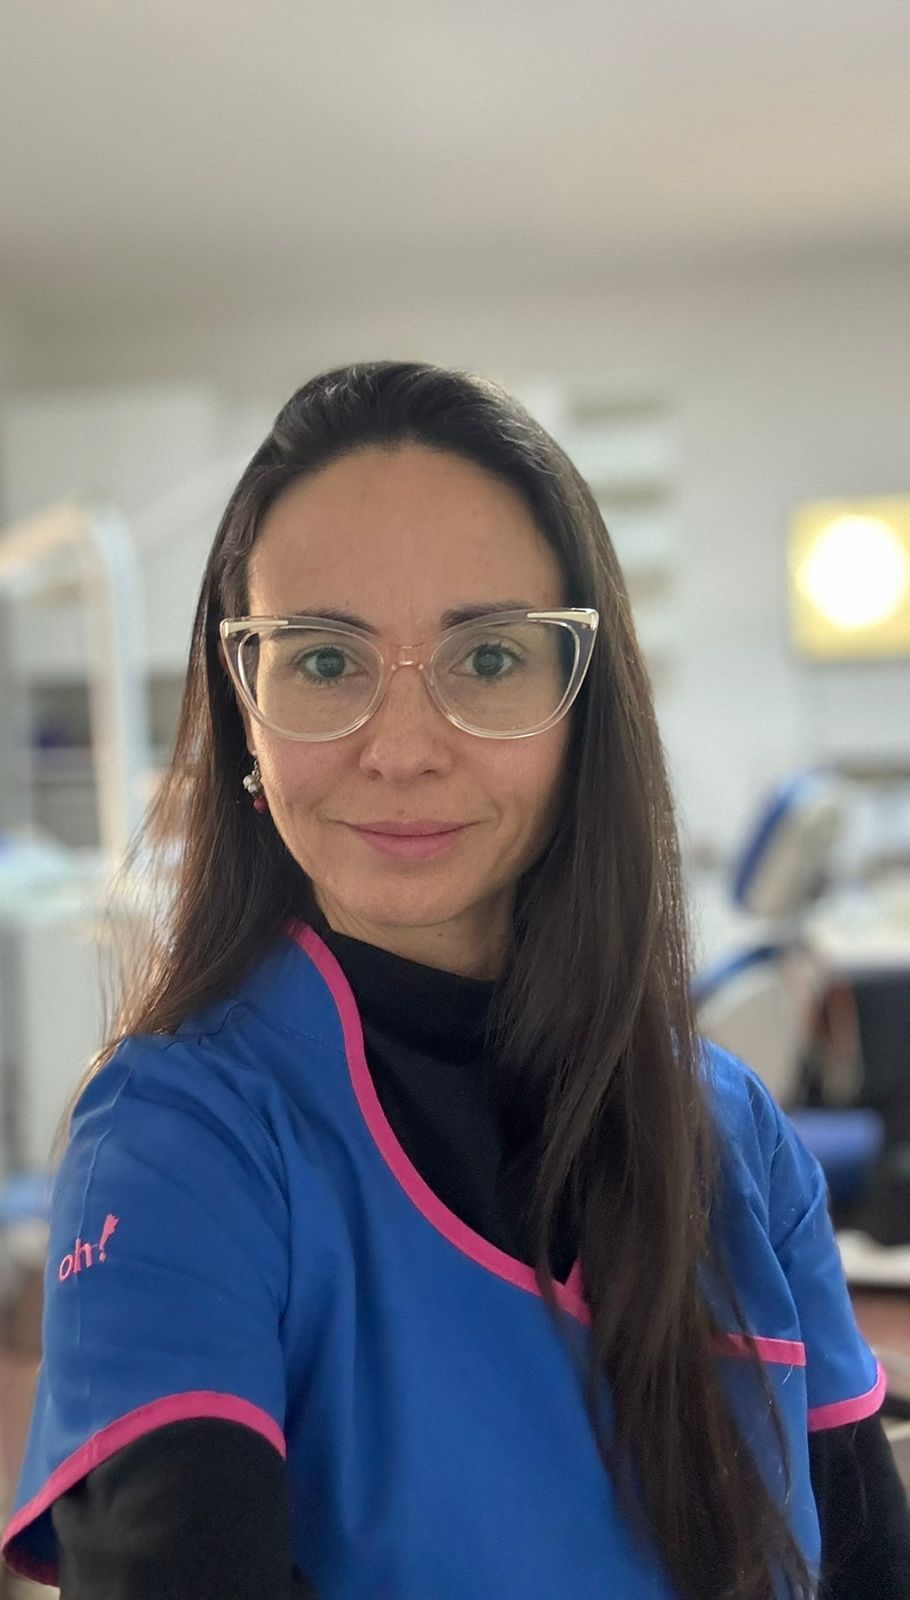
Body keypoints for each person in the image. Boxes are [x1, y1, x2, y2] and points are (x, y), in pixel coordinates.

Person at [1, 361, 908, 1600]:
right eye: (325, 661)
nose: (403, 748)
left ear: (581, 711)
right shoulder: (181, 1145)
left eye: (487, 657)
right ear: (245, 715)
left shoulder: (732, 1134)